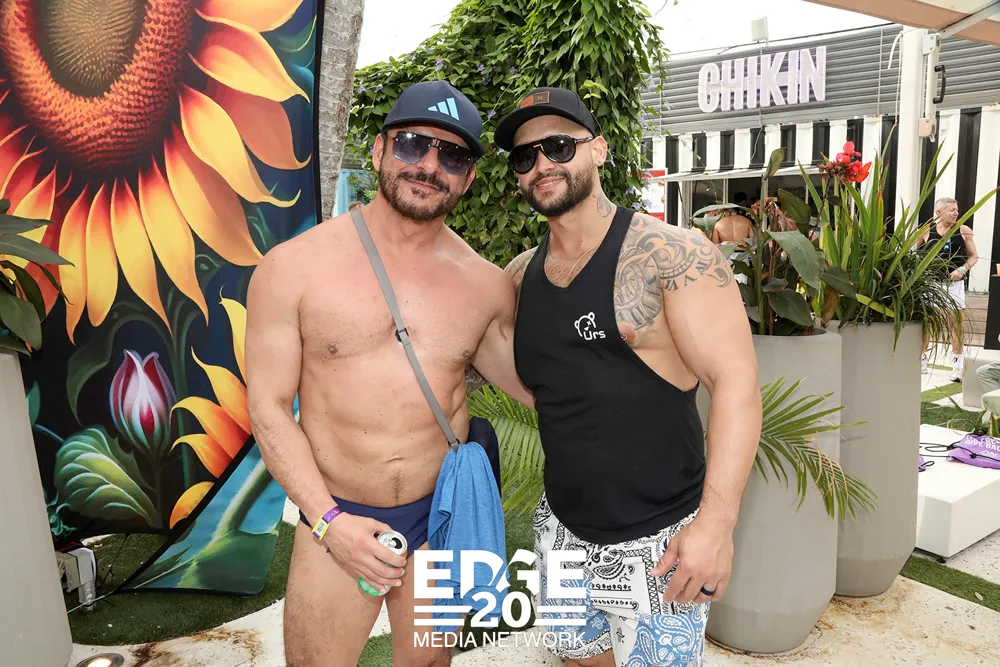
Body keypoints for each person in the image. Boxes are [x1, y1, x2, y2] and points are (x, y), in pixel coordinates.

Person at [245, 80, 532, 667]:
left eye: (453, 156)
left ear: (469, 178)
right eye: (411, 144)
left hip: (438, 516)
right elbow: (268, 408)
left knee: (429, 663)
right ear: (378, 150)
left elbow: (539, 391)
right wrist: (328, 523)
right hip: (338, 512)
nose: (429, 166)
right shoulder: (292, 268)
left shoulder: (485, 285)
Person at [495, 88, 761, 666]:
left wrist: (716, 524)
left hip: (661, 537)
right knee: (576, 657)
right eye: (524, 156)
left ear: (598, 150)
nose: (541, 164)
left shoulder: (675, 255)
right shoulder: (518, 278)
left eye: (558, 146)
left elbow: (736, 385)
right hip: (562, 530)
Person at [917, 197, 979, 381]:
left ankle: (957, 366)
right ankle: (921, 360)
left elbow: (974, 256)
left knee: (956, 323)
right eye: (952, 210)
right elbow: (915, 254)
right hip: (930, 284)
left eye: (957, 210)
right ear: (939, 212)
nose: (956, 213)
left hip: (954, 284)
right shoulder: (926, 230)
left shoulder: (963, 230)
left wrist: (962, 270)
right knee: (927, 322)